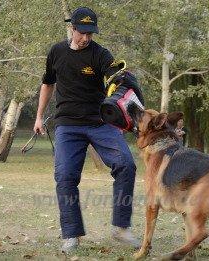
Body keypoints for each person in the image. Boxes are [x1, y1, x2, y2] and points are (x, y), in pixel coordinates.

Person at [33, 6, 141, 253]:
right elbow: (48, 83)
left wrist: (122, 79)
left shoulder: (100, 54)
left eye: (90, 34)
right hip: (68, 125)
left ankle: (121, 228)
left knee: (126, 165)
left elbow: (115, 73)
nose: (86, 38)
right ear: (72, 28)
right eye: (82, 33)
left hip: (101, 123)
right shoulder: (57, 52)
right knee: (65, 176)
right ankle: (71, 235)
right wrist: (39, 117)